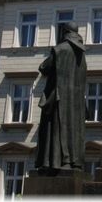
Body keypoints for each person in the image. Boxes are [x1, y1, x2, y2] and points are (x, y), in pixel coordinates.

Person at [35, 21, 87, 172]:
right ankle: (73, 162)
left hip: (59, 98)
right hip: (76, 101)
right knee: (73, 130)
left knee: (55, 129)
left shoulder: (60, 49)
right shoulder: (81, 54)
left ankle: (54, 162)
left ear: (65, 32)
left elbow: (44, 67)